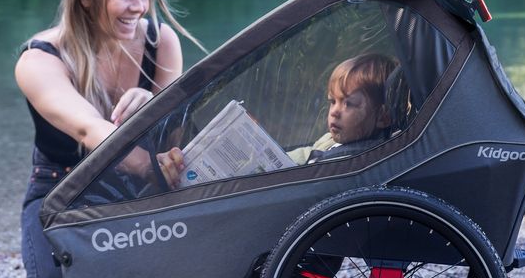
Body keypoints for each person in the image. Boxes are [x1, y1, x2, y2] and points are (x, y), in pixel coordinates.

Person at [15, 0, 223, 278]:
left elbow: (175, 136)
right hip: (64, 189)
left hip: (140, 191)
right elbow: (89, 128)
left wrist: (153, 105)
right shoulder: (40, 59)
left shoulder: (159, 41)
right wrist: (148, 164)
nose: (139, 7)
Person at [155, 53, 400, 186]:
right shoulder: (331, 141)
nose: (335, 111)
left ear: (383, 117)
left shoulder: (353, 159)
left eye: (348, 104)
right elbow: (299, 157)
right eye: (332, 101)